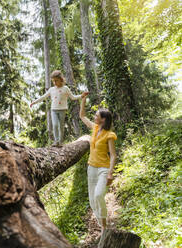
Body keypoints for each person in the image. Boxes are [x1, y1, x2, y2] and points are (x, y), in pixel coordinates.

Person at [79, 92, 117, 235]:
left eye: (96, 116)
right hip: (91, 168)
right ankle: (102, 223)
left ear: (103, 119)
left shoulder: (109, 135)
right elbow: (82, 116)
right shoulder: (95, 128)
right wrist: (83, 100)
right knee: (92, 198)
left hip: (103, 169)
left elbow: (113, 155)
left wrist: (110, 173)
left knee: (98, 195)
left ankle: (104, 225)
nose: (94, 117)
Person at [30, 70, 87, 146]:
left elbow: (73, 97)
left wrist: (81, 96)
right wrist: (34, 102)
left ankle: (60, 142)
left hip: (62, 110)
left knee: (61, 126)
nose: (54, 83)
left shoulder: (65, 88)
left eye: (56, 80)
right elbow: (43, 97)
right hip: (54, 110)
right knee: (55, 125)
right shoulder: (51, 89)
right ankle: (56, 141)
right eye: (53, 81)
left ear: (61, 79)